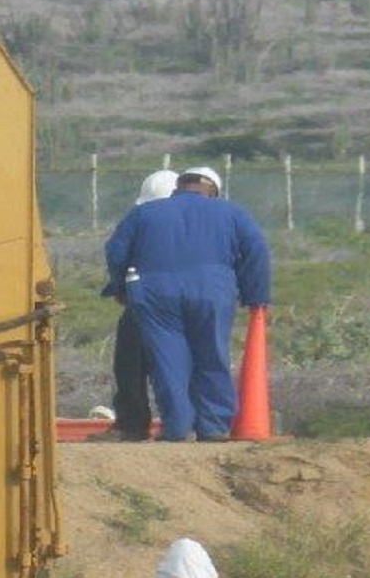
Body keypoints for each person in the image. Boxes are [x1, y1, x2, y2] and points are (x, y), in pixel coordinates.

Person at [104, 165, 271, 442]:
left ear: (177, 188)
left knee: (168, 361)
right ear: (213, 192)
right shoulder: (232, 213)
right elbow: (256, 250)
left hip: (155, 295)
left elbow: (116, 250)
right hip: (213, 291)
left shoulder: (144, 213)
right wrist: (256, 296)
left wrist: (120, 287)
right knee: (212, 356)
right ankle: (214, 426)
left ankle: (178, 428)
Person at [91, 169, 178, 442]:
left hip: (144, 299)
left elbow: (117, 251)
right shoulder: (205, 218)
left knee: (132, 363)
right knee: (184, 365)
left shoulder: (140, 218)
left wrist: (120, 287)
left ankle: (132, 424)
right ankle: (184, 424)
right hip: (193, 303)